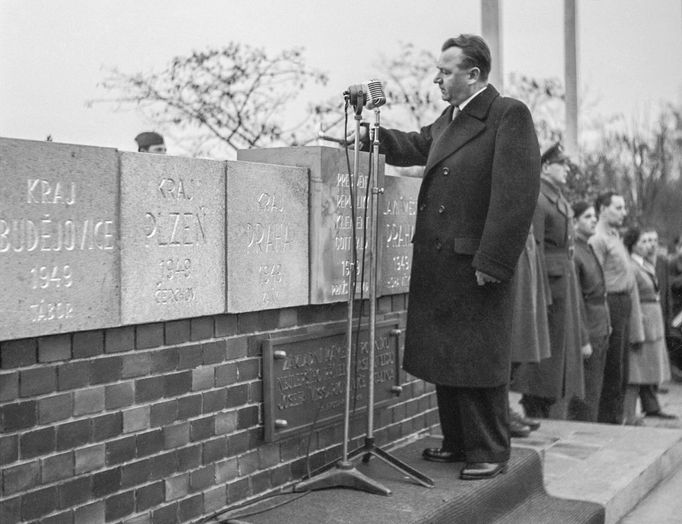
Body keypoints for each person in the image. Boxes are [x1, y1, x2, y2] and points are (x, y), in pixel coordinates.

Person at [357, 34, 540, 480]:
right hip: (443, 263)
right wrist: (371, 135)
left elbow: (515, 196)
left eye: (445, 70)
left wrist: (493, 261)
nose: (436, 77)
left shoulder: (507, 114)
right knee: (447, 357)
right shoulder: (451, 118)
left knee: (478, 361)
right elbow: (418, 144)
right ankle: (459, 442)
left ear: (473, 74)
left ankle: (491, 451)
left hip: (475, 263)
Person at [515, 143, 588, 419]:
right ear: (546, 167)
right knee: (545, 357)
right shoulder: (539, 198)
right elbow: (534, 250)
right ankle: (533, 405)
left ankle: (543, 405)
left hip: (561, 283)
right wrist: (540, 292)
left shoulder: (556, 198)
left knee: (558, 354)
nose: (567, 169)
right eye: (563, 164)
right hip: (548, 285)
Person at [589, 192, 644, 424]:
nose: (624, 212)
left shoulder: (615, 237)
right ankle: (608, 421)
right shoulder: (598, 239)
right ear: (602, 209)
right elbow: (596, 278)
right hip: (609, 302)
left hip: (623, 303)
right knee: (612, 368)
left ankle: (616, 418)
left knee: (621, 368)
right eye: (618, 207)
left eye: (624, 208)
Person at [622, 226, 675, 422]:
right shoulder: (632, 266)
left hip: (653, 320)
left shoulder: (644, 264)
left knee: (646, 369)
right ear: (633, 245)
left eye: (649, 241)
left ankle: (642, 409)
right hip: (643, 319)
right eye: (642, 242)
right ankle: (629, 414)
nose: (647, 246)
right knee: (636, 371)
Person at [567, 202, 611, 422]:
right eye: (587, 216)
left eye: (594, 216)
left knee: (595, 390)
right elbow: (576, 300)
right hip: (589, 330)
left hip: (600, 326)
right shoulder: (575, 252)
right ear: (574, 222)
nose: (594, 220)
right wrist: (583, 338)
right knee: (586, 393)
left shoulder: (588, 247)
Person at [508, 224, 551, 437]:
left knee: (522, 344)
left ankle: (503, 409)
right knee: (512, 344)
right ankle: (500, 412)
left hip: (528, 258)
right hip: (513, 259)